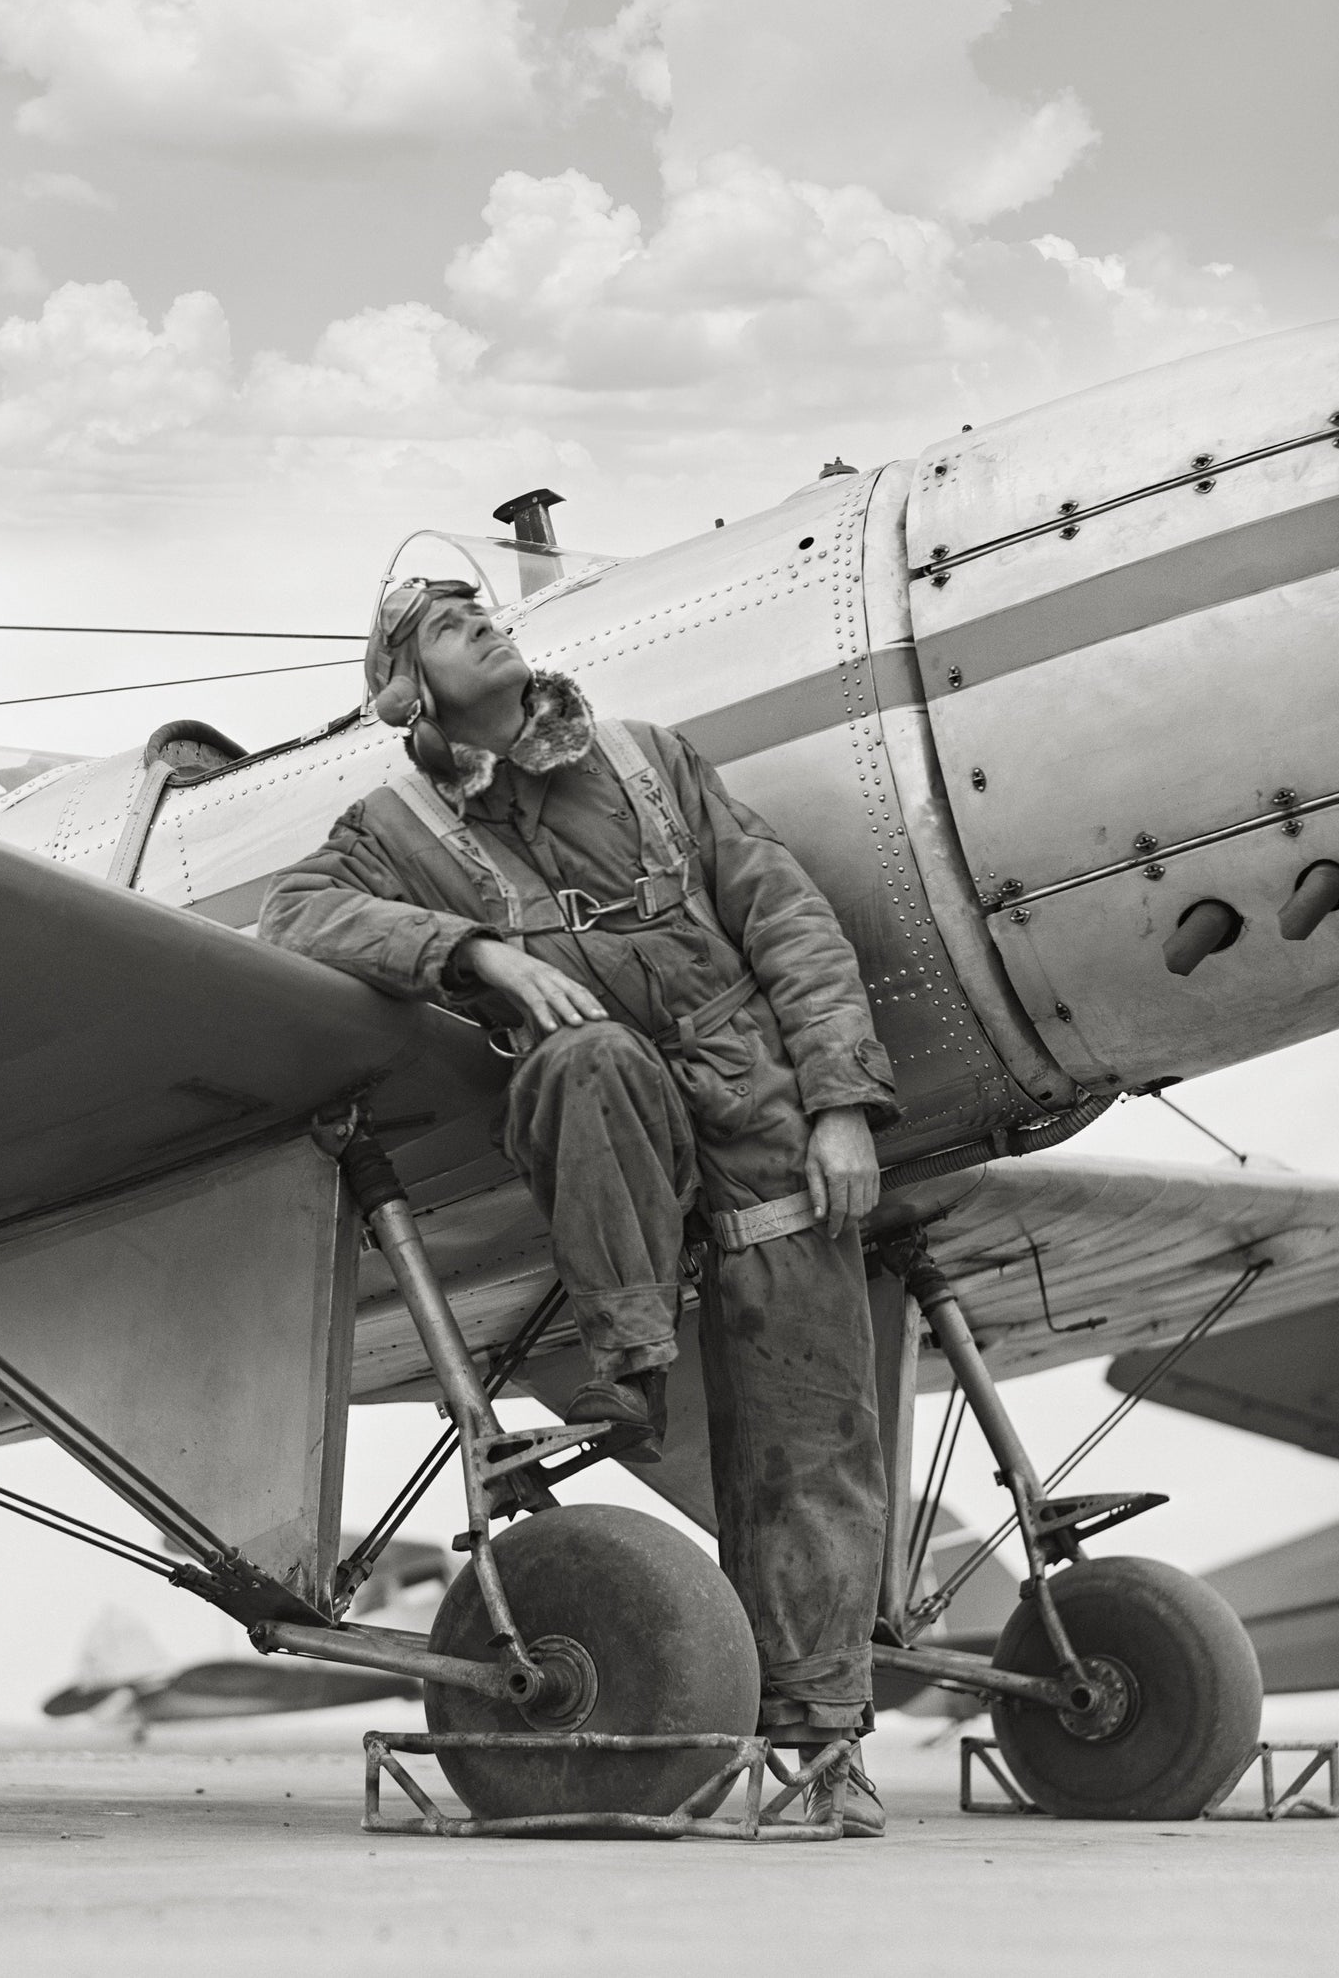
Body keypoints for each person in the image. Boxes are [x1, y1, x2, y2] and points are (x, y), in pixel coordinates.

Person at [260, 577, 898, 1832]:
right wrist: (474, 954)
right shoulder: (391, 826)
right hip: (612, 1113)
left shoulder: (646, 758)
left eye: (484, 611)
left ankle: (823, 1748)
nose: (486, 627)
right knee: (583, 1055)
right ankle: (632, 1353)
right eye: (448, 627)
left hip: (758, 1103)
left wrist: (838, 1103)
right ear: (406, 687)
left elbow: (785, 915)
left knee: (812, 1433)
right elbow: (294, 912)